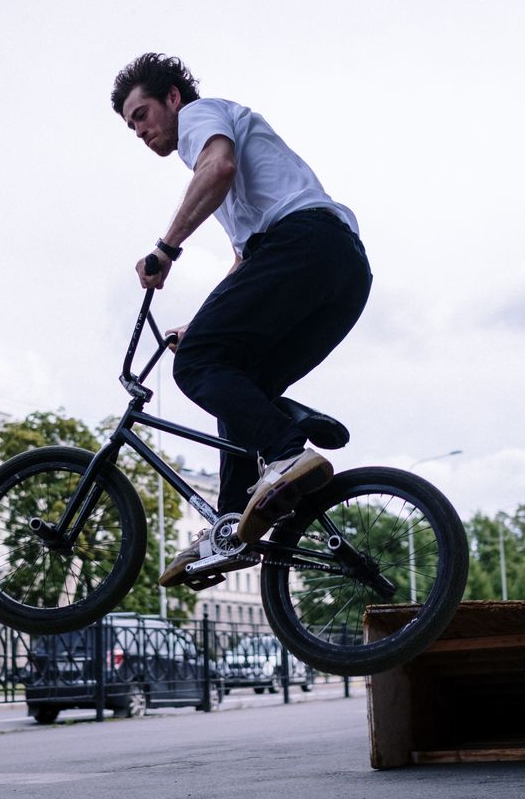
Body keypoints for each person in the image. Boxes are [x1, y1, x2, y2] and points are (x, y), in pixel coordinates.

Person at [111, 53, 372, 588]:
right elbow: (247, 265)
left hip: (305, 244)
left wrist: (165, 249)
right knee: (233, 375)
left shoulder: (203, 118)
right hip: (340, 270)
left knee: (200, 367)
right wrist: (199, 323)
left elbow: (218, 168)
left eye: (141, 114)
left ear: (173, 99)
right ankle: (231, 525)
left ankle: (285, 448)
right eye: (130, 124)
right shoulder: (239, 196)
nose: (138, 131)